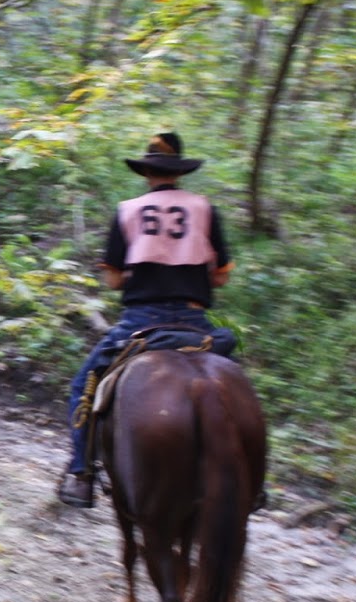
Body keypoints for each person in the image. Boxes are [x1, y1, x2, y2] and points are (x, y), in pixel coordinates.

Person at [56, 132, 233, 509]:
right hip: (194, 321)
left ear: (147, 172)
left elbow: (112, 280)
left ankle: (82, 473)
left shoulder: (128, 211)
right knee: (234, 387)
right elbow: (221, 277)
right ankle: (249, 478)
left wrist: (140, 271)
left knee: (83, 387)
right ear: (180, 172)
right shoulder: (205, 209)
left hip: (140, 321)